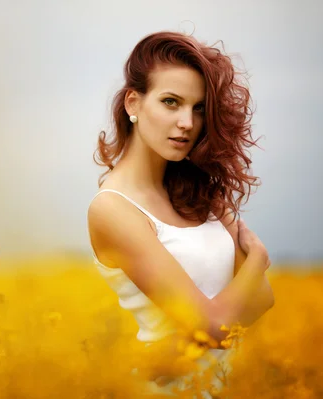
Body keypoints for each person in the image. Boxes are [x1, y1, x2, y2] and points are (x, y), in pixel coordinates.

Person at [86, 31, 275, 397]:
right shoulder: (112, 209)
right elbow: (215, 326)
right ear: (133, 104)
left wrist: (189, 345)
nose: (187, 122)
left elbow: (264, 298)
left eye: (198, 107)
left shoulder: (198, 192)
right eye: (171, 102)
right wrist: (258, 262)